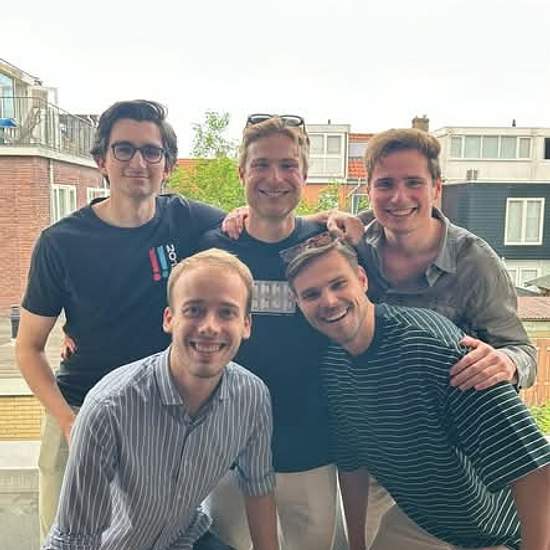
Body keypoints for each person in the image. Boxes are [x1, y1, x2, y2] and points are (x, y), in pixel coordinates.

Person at [15, 100, 225, 540]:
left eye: (151, 151)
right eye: (124, 149)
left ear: (167, 165)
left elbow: (262, 227)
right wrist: (68, 422)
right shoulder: (61, 242)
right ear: (101, 161)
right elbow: (29, 348)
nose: (138, 162)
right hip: (79, 409)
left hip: (162, 418)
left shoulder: (185, 220)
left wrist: (328, 220)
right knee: (68, 540)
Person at [326, 127, 538, 545]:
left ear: (437, 188)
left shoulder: (474, 261)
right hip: (379, 445)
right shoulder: (354, 244)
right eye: (385, 184)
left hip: (451, 456)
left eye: (413, 183)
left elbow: (524, 350)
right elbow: (300, 245)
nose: (398, 197)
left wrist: (506, 361)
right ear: (368, 190)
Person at [287, 238, 550, 550]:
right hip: (426, 523)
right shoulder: (334, 368)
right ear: (298, 303)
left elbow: (535, 469)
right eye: (311, 294)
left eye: (338, 284)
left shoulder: (434, 348)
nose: (329, 301)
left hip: (504, 532)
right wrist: (357, 545)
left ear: (362, 279)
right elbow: (352, 464)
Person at [42, 249, 278, 550]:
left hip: (183, 538)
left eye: (227, 312)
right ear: (169, 319)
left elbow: (258, 485)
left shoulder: (253, 396)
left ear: (246, 325)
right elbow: (75, 540)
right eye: (193, 310)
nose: (209, 326)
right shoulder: (109, 407)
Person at [198, 115, 336, 550]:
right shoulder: (213, 251)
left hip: (313, 454)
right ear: (242, 173)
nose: (274, 178)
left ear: (305, 175)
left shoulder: (329, 246)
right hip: (229, 454)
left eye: (287, 165)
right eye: (260, 164)